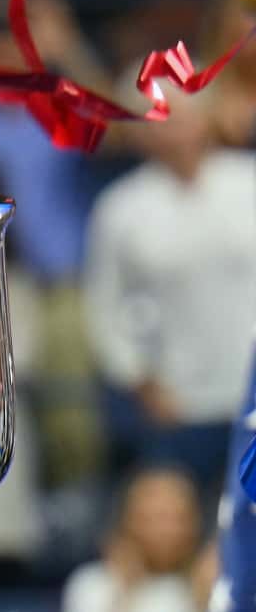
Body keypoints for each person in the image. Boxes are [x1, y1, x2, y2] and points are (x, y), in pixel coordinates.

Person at [84, 80, 256, 495]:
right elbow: (103, 308)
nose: (170, 129)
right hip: (177, 405)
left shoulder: (248, 182)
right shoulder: (120, 208)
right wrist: (141, 382)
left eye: (179, 115)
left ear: (205, 117)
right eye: (157, 119)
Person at [61, 466, 201, 612]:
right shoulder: (92, 583)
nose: (166, 530)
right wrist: (126, 593)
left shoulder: (210, 586)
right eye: (156, 517)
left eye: (177, 518)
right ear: (128, 520)